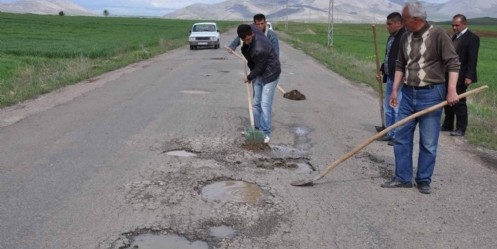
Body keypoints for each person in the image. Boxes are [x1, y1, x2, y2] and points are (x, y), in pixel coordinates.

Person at [381, 0, 460, 194]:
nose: (402, 22)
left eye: (405, 19)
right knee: (401, 137)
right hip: (407, 94)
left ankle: (424, 179)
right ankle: (403, 177)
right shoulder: (405, 37)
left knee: (428, 142)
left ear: (416, 19)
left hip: (432, 94)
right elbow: (400, 64)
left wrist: (451, 90)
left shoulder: (438, 34)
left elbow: (453, 63)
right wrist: (394, 90)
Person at [237, 24, 281, 143]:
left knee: (265, 104)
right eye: (244, 40)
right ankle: (256, 131)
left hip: (271, 73)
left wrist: (249, 77)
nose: (247, 42)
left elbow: (260, 68)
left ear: (252, 34)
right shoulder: (250, 29)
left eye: (248, 40)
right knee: (256, 103)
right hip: (259, 71)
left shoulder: (260, 48)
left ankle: (265, 133)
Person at [441, 14, 480, 137]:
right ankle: (448, 125)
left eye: (456, 25)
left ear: (464, 24)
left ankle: (460, 128)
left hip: (462, 75)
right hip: (450, 74)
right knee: (448, 99)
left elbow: (472, 59)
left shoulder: (472, 38)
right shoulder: (454, 37)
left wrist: (469, 76)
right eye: (452, 25)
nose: (454, 27)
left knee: (459, 101)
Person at [376, 12, 406, 146]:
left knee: (396, 107)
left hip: (399, 78)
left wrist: (404, 74)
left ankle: (398, 136)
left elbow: (407, 59)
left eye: (389, 24)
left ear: (398, 23)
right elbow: (388, 57)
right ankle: (390, 132)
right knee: (388, 107)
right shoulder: (391, 38)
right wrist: (382, 70)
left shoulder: (405, 37)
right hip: (390, 76)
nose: (387, 26)